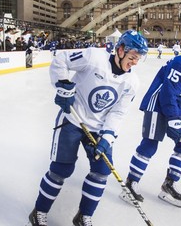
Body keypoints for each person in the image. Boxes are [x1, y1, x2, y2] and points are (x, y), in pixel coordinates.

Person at [28, 30, 148, 226]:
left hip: (99, 129)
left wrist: (107, 137)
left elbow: (118, 113)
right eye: (133, 57)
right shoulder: (93, 57)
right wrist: (62, 85)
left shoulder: (132, 82)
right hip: (73, 120)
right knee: (60, 170)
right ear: (120, 50)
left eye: (138, 59)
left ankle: (83, 216)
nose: (135, 62)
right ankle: (38, 212)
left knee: (101, 171)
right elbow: (61, 60)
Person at [120, 32, 181, 208]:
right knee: (150, 144)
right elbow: (168, 92)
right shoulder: (180, 63)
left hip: (172, 108)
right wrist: (174, 117)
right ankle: (130, 184)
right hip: (157, 105)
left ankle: (168, 185)